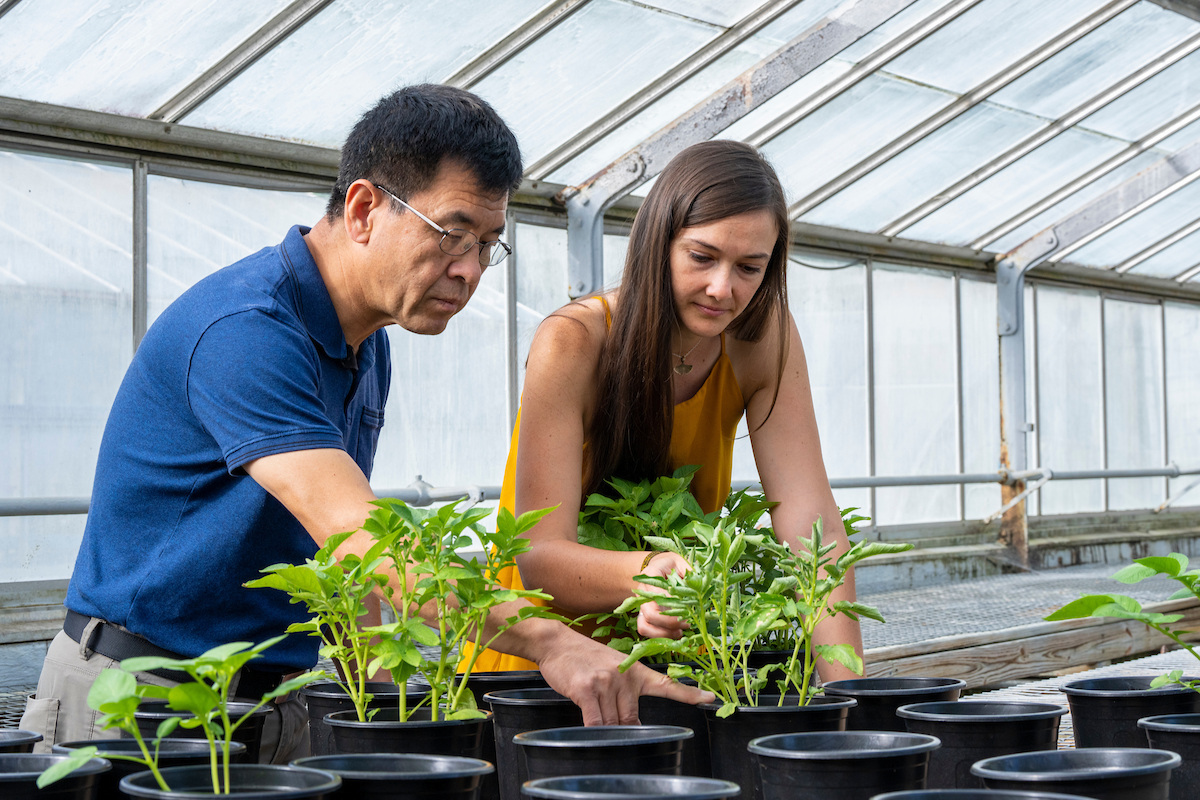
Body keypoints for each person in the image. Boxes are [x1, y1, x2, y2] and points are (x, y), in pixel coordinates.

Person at [20, 84, 708, 759]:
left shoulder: (365, 343)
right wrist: (555, 643)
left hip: (273, 703)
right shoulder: (247, 331)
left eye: (489, 245)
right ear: (363, 209)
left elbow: (350, 566)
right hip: (140, 702)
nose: (469, 271)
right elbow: (366, 544)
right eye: (452, 235)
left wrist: (385, 703)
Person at [469, 140, 863, 676]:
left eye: (750, 267)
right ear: (658, 243)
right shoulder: (573, 341)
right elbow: (538, 555)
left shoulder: (763, 338)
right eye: (702, 257)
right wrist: (651, 572)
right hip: (542, 662)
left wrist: (849, 699)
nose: (722, 289)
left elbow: (810, 523)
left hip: (673, 658)